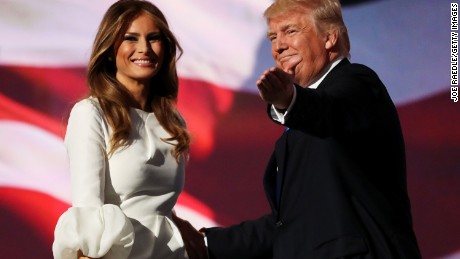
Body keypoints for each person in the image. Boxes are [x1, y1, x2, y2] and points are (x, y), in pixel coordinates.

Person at [176, 0, 422, 258]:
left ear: (329, 38)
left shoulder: (358, 83)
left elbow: (329, 111)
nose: (278, 46)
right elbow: (291, 226)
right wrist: (205, 244)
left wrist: (289, 100)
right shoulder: (300, 128)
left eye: (291, 31)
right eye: (272, 37)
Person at [52, 0, 194, 258]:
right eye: (131, 38)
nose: (144, 49)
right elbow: (87, 209)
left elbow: (161, 209)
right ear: (110, 49)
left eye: (154, 38)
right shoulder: (91, 113)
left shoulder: (173, 121)